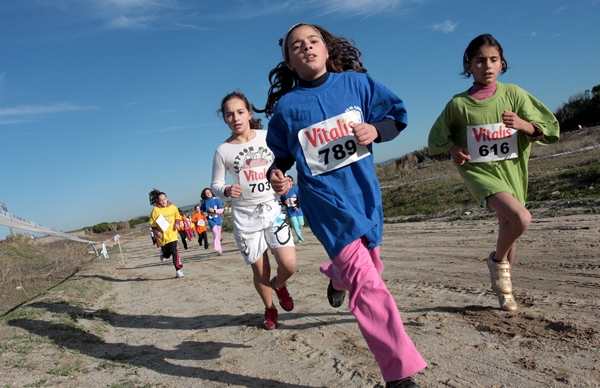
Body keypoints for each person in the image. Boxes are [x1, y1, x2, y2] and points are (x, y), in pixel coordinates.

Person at [260, 23, 426, 388]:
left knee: (372, 265)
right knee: (368, 285)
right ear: (289, 62)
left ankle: (337, 276)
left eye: (313, 41)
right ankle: (399, 374)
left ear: (327, 48)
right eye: (297, 46)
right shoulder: (287, 109)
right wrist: (276, 173)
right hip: (323, 202)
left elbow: (397, 116)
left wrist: (376, 130)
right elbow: (281, 157)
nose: (306, 48)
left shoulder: (357, 84)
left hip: (363, 195)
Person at [428, 34, 559, 311]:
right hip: (480, 173)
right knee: (521, 219)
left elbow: (547, 128)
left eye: (493, 59)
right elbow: (437, 137)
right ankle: (497, 262)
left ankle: (504, 291)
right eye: (480, 60)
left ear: (502, 64)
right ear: (469, 66)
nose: (487, 65)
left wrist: (523, 125)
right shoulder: (459, 104)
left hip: (511, 169)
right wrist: (453, 148)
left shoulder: (514, 94)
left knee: (507, 227)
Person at [210, 90, 298, 330]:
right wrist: (227, 190)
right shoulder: (223, 151)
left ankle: (279, 285)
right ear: (225, 119)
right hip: (245, 215)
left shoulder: (268, 137)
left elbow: (282, 166)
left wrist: (286, 180)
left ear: (249, 113)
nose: (235, 118)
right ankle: (270, 309)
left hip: (272, 208)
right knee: (260, 270)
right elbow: (215, 185)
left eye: (240, 112)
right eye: (229, 115)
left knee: (289, 264)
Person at [148, 189, 185, 278]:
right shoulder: (155, 211)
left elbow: (178, 216)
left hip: (172, 235)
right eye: (161, 200)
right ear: (158, 201)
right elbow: (152, 224)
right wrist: (157, 232)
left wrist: (177, 223)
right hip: (162, 237)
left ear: (167, 198)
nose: (163, 201)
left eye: (164, 199)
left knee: (174, 251)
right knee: (167, 255)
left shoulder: (173, 207)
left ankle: (178, 270)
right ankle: (163, 253)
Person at [280, 175, 304, 243]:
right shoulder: (283, 191)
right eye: (286, 181)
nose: (288, 183)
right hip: (290, 211)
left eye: (290, 181)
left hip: (298, 210)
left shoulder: (296, 189)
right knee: (295, 225)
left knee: (301, 223)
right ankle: (300, 238)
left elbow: (301, 198)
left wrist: (298, 205)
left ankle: (300, 227)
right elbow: (282, 200)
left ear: (292, 182)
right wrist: (284, 202)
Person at [200, 188, 224, 256]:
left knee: (218, 235)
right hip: (211, 220)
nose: (208, 194)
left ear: (211, 192)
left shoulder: (216, 200)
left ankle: (219, 246)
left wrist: (215, 211)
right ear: (205, 195)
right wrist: (204, 213)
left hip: (218, 219)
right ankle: (219, 250)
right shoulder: (204, 202)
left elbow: (221, 209)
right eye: (206, 193)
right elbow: (201, 210)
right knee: (216, 234)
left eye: (209, 192)